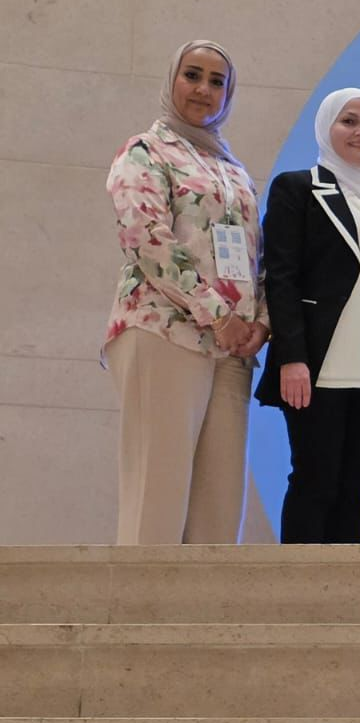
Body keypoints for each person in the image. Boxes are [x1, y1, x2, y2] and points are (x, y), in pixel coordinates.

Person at [103, 39, 269, 545]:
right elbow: (146, 238)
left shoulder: (234, 170)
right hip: (164, 332)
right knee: (157, 495)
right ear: (172, 79)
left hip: (232, 349)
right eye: (192, 75)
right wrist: (217, 313)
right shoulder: (144, 151)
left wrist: (260, 321)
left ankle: (204, 602)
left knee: (220, 511)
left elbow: (257, 255)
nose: (203, 89)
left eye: (217, 82)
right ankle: (140, 600)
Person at [256, 88, 360, 543]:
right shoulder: (298, 189)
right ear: (325, 125)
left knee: (354, 491)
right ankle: (298, 585)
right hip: (319, 367)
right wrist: (292, 356)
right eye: (349, 121)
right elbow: (281, 277)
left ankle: (344, 584)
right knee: (314, 482)